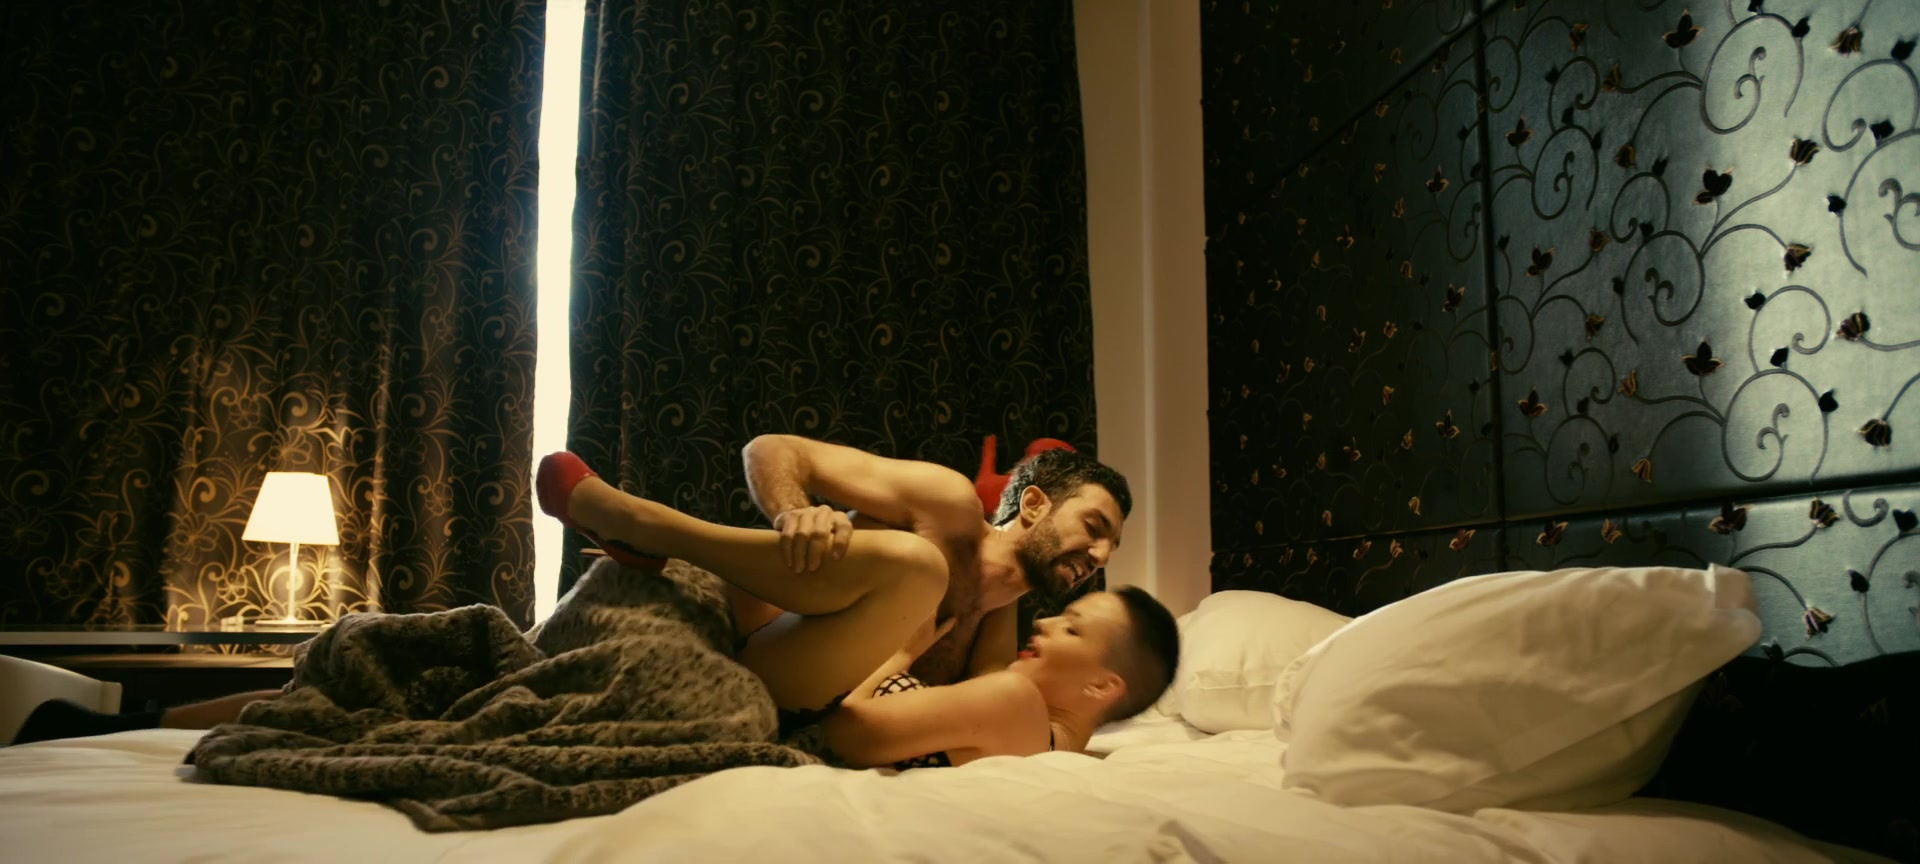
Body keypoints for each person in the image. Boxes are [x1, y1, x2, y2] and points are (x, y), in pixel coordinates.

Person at [737, 434, 1131, 686]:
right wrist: (794, 514)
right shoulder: (948, 506)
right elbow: (771, 449)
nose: (1100, 557)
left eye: (1112, 547)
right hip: (726, 636)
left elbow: (984, 704)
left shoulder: (998, 614)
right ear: (1032, 505)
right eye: (1093, 526)